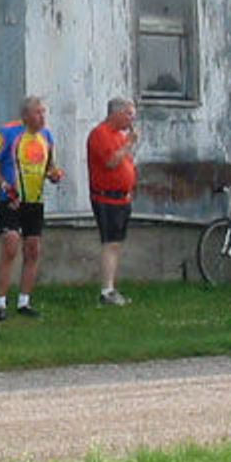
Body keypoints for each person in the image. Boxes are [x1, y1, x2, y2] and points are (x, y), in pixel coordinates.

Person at [0, 95, 65, 321]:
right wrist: (4, 185)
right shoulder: (8, 132)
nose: (42, 117)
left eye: (44, 112)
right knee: (10, 245)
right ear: (26, 115)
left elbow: (50, 166)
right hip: (11, 199)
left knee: (33, 249)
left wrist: (54, 174)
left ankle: (24, 301)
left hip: (35, 200)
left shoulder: (47, 136)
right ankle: (0, 303)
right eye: (38, 112)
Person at [85, 97, 137, 306]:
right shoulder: (101, 134)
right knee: (110, 243)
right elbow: (110, 161)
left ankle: (111, 287)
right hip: (106, 198)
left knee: (117, 243)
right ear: (116, 113)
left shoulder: (118, 136)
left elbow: (124, 162)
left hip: (122, 198)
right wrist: (129, 143)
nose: (131, 119)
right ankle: (106, 290)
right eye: (128, 114)